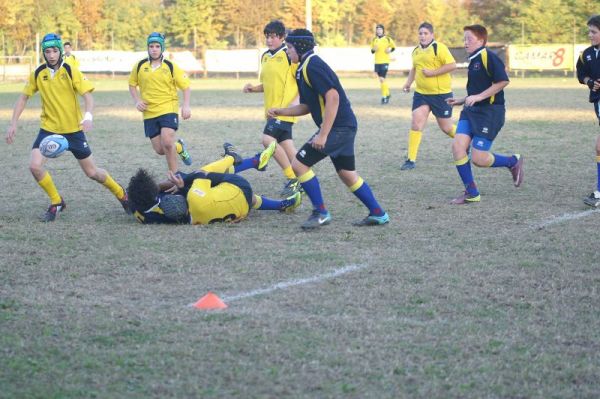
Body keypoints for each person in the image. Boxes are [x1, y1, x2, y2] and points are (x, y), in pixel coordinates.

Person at [268, 29, 389, 229]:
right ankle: (378, 213)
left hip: (338, 127)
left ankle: (321, 212)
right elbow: (307, 105)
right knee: (347, 174)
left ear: (299, 47)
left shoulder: (313, 65)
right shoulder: (302, 68)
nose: (287, 51)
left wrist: (323, 134)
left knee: (298, 164)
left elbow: (333, 97)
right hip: (343, 126)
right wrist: (281, 111)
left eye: (289, 47)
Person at [5, 33, 129, 222]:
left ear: (60, 51)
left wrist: (88, 116)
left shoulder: (71, 70)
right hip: (49, 130)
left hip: (73, 130)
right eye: (48, 51)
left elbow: (88, 96)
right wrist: (13, 123)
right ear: (43, 53)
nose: (52, 55)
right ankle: (57, 202)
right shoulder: (39, 73)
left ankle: (121, 194)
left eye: (55, 51)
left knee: (92, 173)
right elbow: (23, 97)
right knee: (34, 166)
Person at [127, 144, 302, 224]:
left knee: (235, 197)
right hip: (240, 186)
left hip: (242, 208)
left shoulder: (140, 212)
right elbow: (201, 176)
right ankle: (234, 157)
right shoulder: (193, 199)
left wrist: (175, 187)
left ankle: (282, 204)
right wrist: (183, 183)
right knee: (202, 173)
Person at [446, 25, 523, 204]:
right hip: (471, 111)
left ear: (481, 41)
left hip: (490, 113)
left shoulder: (488, 56)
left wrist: (479, 97)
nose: (465, 42)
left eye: (469, 39)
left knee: (479, 159)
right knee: (458, 147)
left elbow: (503, 81)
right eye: (464, 38)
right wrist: (462, 100)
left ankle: (512, 161)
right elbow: (478, 90)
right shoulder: (473, 60)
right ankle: (471, 192)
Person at [242, 20, 302, 197]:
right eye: (267, 36)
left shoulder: (288, 55)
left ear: (282, 37)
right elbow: (267, 84)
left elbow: (301, 81)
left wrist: (295, 104)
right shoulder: (265, 56)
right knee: (290, 150)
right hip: (271, 113)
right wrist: (253, 88)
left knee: (267, 140)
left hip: (284, 111)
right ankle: (306, 179)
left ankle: (292, 180)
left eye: (273, 36)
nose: (269, 40)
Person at [128, 32, 192, 173]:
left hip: (168, 108)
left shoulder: (170, 66)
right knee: (160, 149)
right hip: (149, 112)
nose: (154, 49)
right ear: (148, 48)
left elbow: (186, 86)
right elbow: (132, 84)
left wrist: (186, 105)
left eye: (157, 46)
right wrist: (137, 101)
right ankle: (179, 147)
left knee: (168, 142)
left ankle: (175, 178)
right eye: (151, 46)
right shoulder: (139, 66)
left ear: (162, 48)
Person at [400, 22, 457, 171]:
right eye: (420, 33)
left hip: (441, 95)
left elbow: (452, 65)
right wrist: (408, 83)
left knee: (447, 128)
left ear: (432, 35)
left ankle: (467, 142)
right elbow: (414, 68)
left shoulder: (439, 48)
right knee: (416, 123)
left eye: (425, 33)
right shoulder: (416, 51)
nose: (422, 36)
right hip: (421, 94)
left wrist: (433, 73)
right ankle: (410, 159)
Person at [576, 15, 600, 207]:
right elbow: (581, 73)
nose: (589, 34)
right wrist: (589, 82)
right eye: (589, 31)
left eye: (594, 31)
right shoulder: (587, 54)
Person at [370, 24, 395, 104]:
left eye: (380, 29)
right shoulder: (374, 40)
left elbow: (393, 47)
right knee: (381, 80)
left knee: (382, 79)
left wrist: (389, 50)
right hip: (377, 62)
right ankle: (387, 93)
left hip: (385, 61)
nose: (379, 31)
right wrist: (374, 49)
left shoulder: (387, 39)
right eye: (377, 30)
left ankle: (384, 97)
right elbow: (372, 51)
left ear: (383, 30)